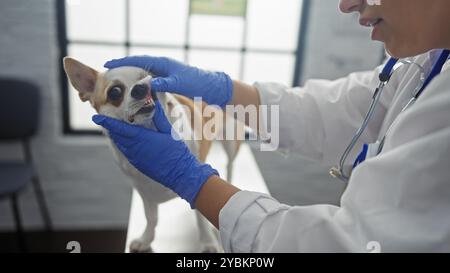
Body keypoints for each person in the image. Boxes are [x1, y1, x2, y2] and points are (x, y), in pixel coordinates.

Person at [92, 0, 450, 252]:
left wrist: (194, 182)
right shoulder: (425, 61)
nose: (347, 4)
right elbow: (333, 115)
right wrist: (227, 92)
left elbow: (349, 246)